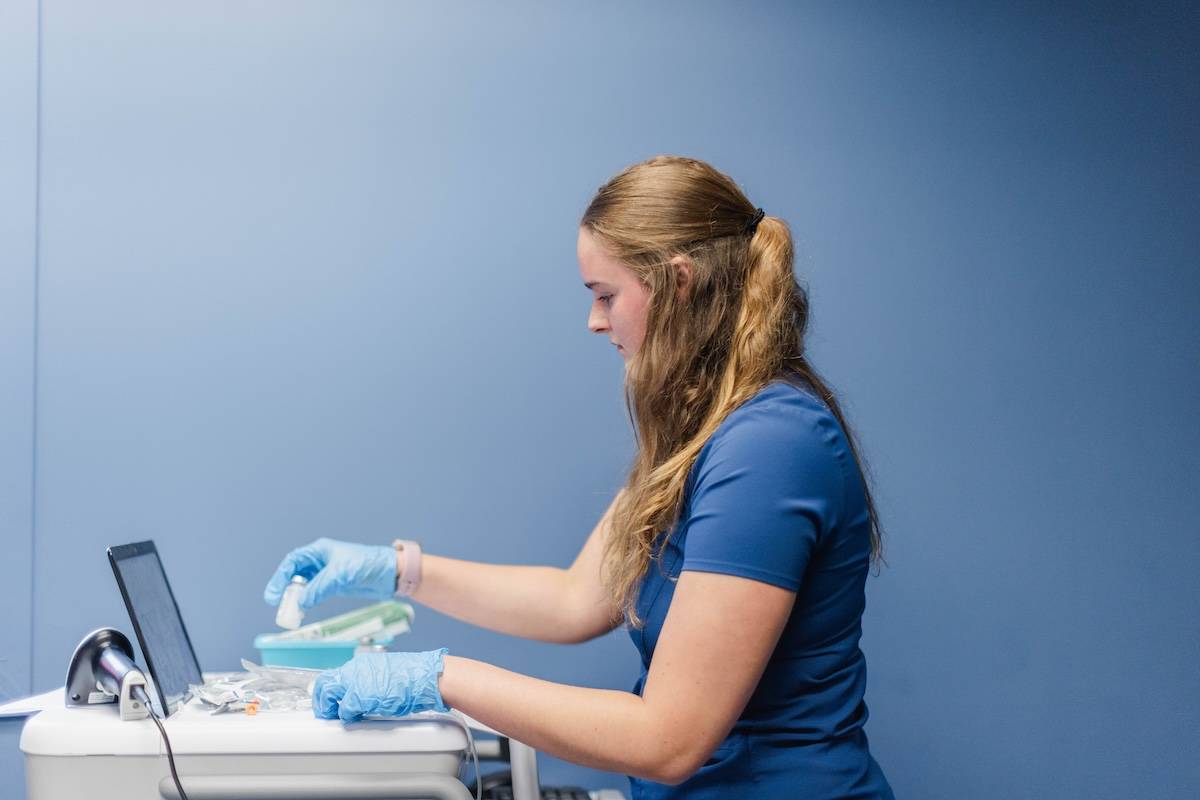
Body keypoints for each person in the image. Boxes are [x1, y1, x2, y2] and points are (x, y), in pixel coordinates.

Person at [264, 155, 893, 799]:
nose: (595, 321)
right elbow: (576, 599)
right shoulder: (702, 433)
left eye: (605, 295)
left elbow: (668, 740)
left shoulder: (770, 446)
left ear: (678, 283)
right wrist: (399, 570)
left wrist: (439, 679)